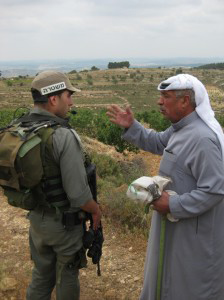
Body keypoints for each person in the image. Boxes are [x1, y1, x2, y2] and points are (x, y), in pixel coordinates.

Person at [107, 74, 224, 300]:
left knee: (189, 286)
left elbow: (215, 189)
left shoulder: (202, 138)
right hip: (177, 228)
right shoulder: (180, 129)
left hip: (194, 235)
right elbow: (159, 142)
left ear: (185, 101)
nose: (159, 102)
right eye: (160, 96)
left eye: (166, 96)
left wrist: (172, 204)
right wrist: (132, 126)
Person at [23, 71, 101, 300]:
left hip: (36, 220)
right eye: (68, 95)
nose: (72, 102)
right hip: (64, 225)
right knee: (67, 275)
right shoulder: (63, 135)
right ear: (53, 98)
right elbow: (78, 194)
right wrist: (95, 210)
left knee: (41, 275)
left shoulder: (23, 128)